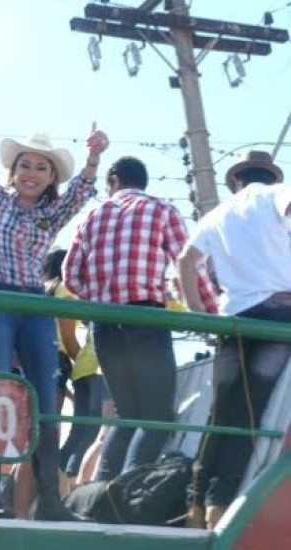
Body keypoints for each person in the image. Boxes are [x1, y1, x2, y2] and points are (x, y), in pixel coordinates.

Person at [0, 92, 109, 521]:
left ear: (51, 177)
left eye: (41, 167)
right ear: (13, 171)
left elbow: (82, 190)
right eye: (25, 165)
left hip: (33, 305)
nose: (31, 173)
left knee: (45, 401)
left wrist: (93, 156)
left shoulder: (52, 213)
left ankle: (49, 500)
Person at [64, 156, 218, 483]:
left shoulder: (92, 216)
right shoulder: (162, 210)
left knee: (127, 414)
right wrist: (213, 315)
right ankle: (128, 491)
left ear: (114, 180)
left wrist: (100, 294)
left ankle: (105, 490)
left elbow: (70, 276)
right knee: (157, 418)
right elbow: (189, 265)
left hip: (104, 324)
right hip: (147, 318)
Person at [177, 151, 289, 530]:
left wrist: (198, 315)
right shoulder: (276, 194)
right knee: (250, 415)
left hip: (234, 319)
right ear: (271, 176)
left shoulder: (218, 214)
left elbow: (184, 261)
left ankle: (195, 505)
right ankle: (218, 505)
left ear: (236, 180)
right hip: (278, 315)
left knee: (222, 414)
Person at [45, 249, 107, 488]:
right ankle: (69, 487)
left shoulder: (43, 291)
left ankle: (54, 487)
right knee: (92, 433)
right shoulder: (67, 293)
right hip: (86, 365)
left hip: (64, 366)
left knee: (68, 433)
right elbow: (69, 340)